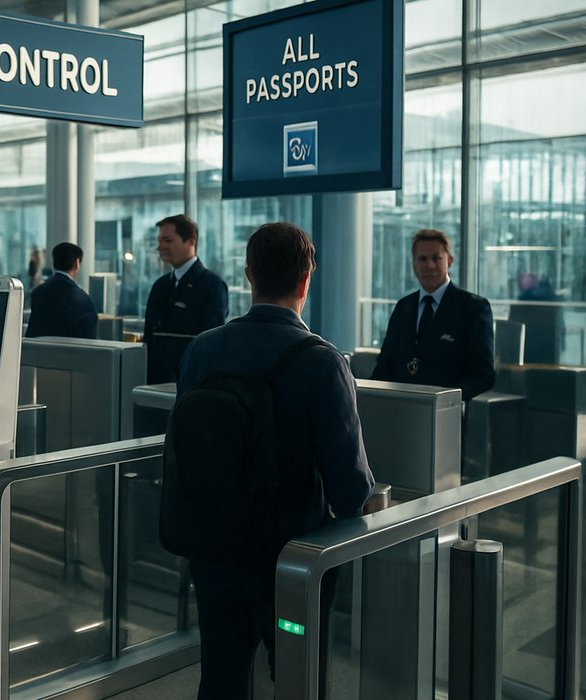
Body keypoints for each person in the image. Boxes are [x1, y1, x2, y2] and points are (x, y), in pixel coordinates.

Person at [176, 221, 375, 699]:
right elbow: (351, 487)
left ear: (249, 275)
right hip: (289, 560)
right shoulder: (322, 361)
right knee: (297, 677)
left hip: (213, 546)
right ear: (307, 279)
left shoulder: (203, 349)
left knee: (221, 675)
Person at [371, 229, 495, 401]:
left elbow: (483, 374)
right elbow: (385, 365)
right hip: (400, 408)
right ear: (413, 263)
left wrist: (444, 400)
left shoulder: (473, 308)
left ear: (450, 261)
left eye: (436, 258)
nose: (429, 265)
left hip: (447, 412)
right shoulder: (403, 307)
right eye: (422, 259)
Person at [143, 214, 229, 384]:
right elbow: (149, 338)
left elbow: (211, 343)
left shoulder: (212, 285)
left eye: (167, 240)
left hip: (192, 383)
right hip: (155, 383)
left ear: (190, 241)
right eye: (159, 241)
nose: (160, 247)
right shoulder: (160, 285)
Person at [26, 242, 98, 339]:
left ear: (54, 263)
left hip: (39, 353)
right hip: (70, 353)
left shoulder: (38, 292)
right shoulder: (83, 300)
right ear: (76, 263)